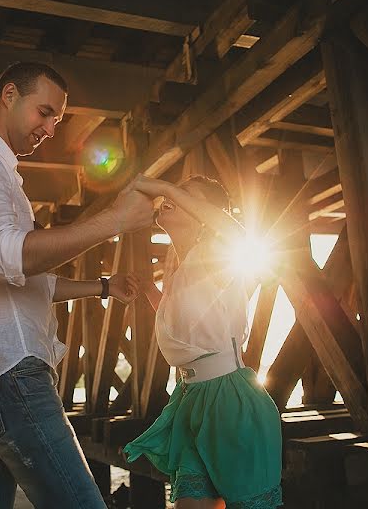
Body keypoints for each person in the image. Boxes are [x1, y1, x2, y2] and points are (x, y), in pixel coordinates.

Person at [0, 61, 155, 509]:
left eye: (57, 120)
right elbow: (5, 255)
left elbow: (29, 281)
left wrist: (103, 287)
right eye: (44, 112)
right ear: (9, 94)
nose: (50, 129)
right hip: (7, 372)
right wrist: (116, 221)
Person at [123, 174, 283, 509]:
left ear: (203, 215)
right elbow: (191, 331)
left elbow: (237, 233)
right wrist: (149, 292)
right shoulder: (182, 270)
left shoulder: (217, 252)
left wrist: (166, 187)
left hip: (231, 399)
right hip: (191, 400)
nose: (174, 197)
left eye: (185, 195)